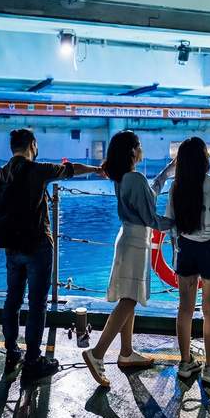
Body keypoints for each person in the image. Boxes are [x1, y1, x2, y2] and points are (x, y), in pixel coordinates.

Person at [0, 128, 102, 382]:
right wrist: (96, 170)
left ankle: (11, 352)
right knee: (37, 303)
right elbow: (70, 169)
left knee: (12, 299)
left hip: (11, 246)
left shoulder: (0, 175)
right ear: (32, 144)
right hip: (38, 245)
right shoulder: (38, 170)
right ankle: (32, 361)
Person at [81, 130, 175, 387]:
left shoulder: (125, 178)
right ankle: (97, 353)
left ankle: (126, 352)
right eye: (140, 145)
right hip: (136, 242)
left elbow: (149, 194)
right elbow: (151, 218)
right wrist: (179, 222)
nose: (142, 149)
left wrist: (168, 171)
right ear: (133, 151)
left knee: (128, 297)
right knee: (129, 300)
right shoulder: (134, 178)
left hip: (129, 238)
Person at [165, 137, 210, 387]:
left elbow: (171, 225)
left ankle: (185, 363)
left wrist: (177, 253)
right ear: (204, 159)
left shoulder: (176, 186)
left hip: (186, 248)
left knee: (184, 309)